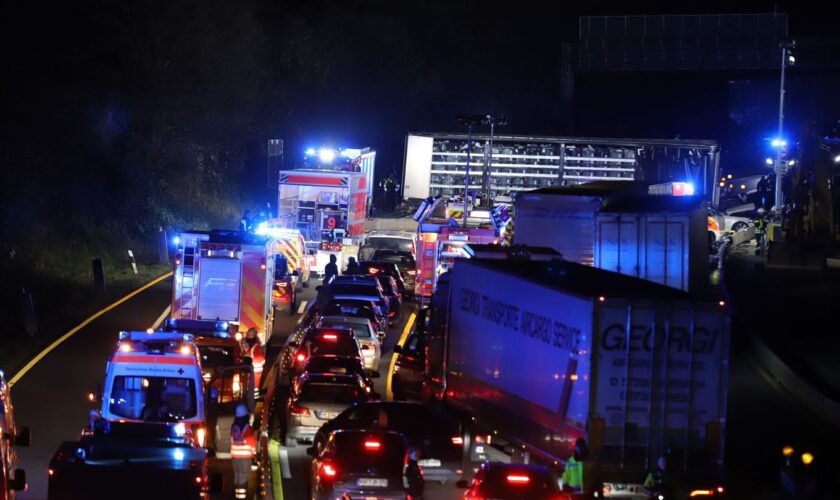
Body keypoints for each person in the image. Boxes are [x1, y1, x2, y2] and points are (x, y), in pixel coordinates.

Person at [230, 404, 256, 499]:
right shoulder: (247, 428)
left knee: (237, 476)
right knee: (243, 478)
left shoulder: (234, 427)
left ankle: (237, 496)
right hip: (245, 458)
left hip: (235, 457)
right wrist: (254, 457)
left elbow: (232, 440)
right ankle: (241, 498)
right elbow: (252, 443)